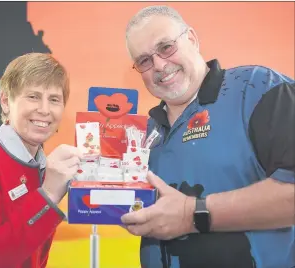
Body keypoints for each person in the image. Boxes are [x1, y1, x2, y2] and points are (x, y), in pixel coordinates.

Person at [121, 5, 295, 268]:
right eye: (144, 60)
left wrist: (192, 214)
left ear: (191, 38)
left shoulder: (258, 88)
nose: (159, 64)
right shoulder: (144, 133)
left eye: (166, 47)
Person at [0, 53, 83, 268]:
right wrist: (48, 195)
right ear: (5, 101)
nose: (44, 109)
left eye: (54, 99)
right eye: (33, 96)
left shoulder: (42, 166)